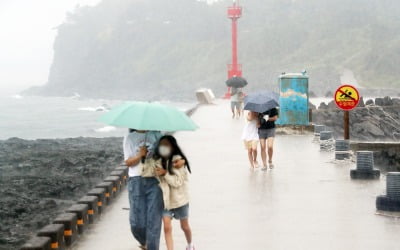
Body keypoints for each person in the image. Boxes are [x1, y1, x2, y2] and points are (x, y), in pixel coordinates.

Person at [124, 130, 186, 250]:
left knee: (154, 223)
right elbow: (128, 162)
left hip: (155, 180)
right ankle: (145, 243)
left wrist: (181, 161)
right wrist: (140, 155)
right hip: (136, 181)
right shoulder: (129, 138)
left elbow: (171, 152)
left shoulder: (157, 135)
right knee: (136, 223)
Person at [153, 135, 194, 250]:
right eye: (161, 145)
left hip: (180, 200)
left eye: (166, 145)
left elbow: (177, 182)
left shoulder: (178, 160)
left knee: (184, 226)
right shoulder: (158, 161)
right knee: (167, 227)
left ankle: (190, 244)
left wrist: (165, 173)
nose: (163, 147)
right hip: (166, 202)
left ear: (172, 146)